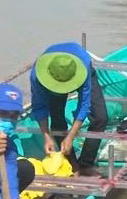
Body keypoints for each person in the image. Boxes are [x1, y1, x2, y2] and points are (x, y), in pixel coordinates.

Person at [30, 42, 108, 177]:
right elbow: (39, 107)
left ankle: (86, 164)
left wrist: (71, 136)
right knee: (57, 121)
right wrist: (46, 137)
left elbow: (84, 105)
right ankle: (73, 166)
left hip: (79, 70)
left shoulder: (83, 68)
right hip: (52, 77)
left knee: (101, 117)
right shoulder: (37, 76)